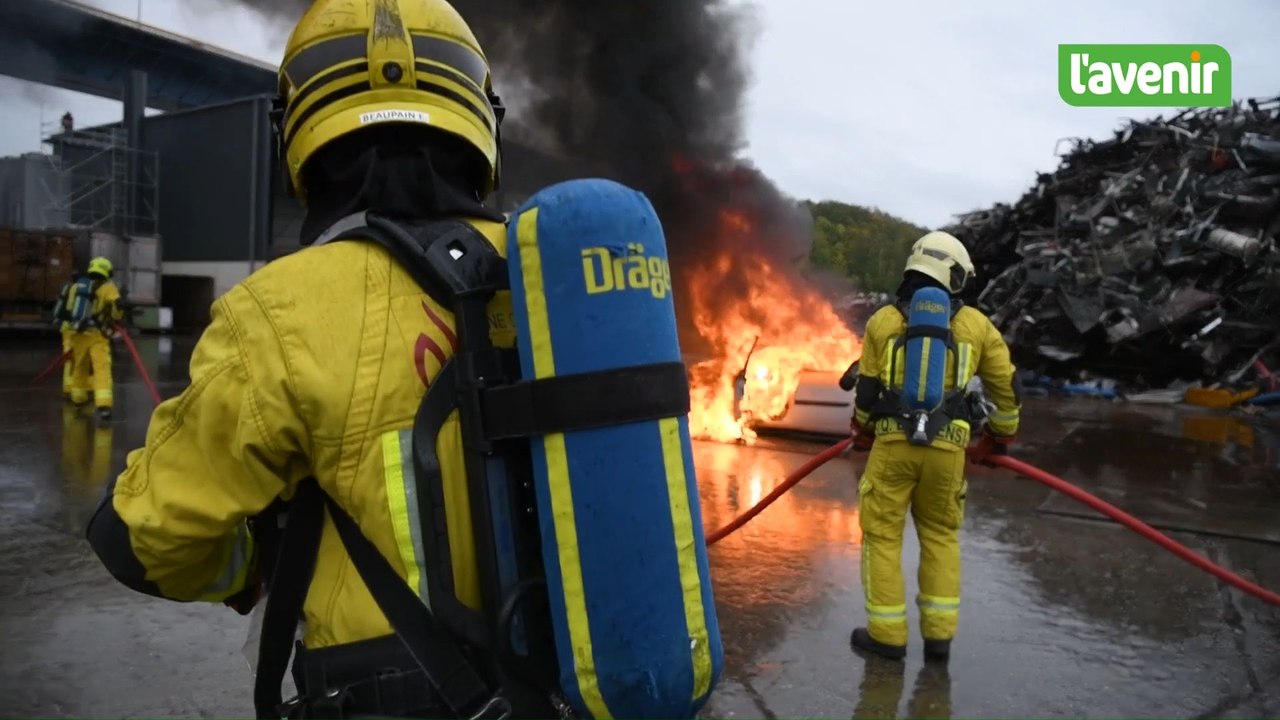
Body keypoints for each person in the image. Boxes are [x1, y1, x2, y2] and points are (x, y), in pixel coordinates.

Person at [86, 0, 521, 716]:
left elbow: (152, 539)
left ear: (298, 131)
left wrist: (248, 570)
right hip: (578, 689)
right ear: (479, 118)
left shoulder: (278, 310)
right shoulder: (565, 281)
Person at [847, 231, 1021, 662]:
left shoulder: (883, 320)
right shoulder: (977, 325)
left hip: (892, 448)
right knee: (941, 537)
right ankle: (939, 640)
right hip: (948, 453)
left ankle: (887, 636)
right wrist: (998, 438)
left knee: (883, 538)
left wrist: (864, 432)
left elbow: (867, 392)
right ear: (953, 275)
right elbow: (1006, 389)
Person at [60, 257, 123, 420]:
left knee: (79, 365)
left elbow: (68, 310)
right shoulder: (109, 288)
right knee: (101, 368)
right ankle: (103, 405)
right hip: (97, 335)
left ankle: (78, 398)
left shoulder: (76, 287)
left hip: (77, 334)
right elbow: (116, 313)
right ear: (107, 271)